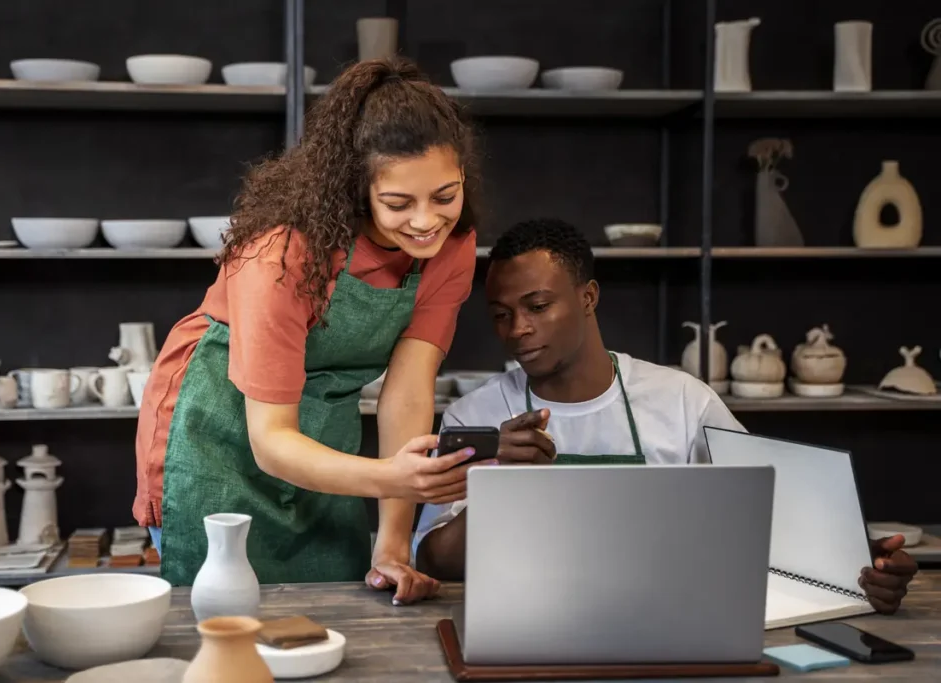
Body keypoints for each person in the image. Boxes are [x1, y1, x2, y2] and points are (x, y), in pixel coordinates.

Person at [413, 217, 918, 615]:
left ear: (588, 297)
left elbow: (767, 516)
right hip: (529, 618)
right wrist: (503, 491)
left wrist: (859, 562)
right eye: (501, 315)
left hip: (670, 614)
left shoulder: (682, 400)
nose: (517, 329)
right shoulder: (475, 413)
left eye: (538, 306)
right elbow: (432, 558)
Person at [134, 56, 493, 603]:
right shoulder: (282, 253)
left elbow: (408, 391)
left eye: (445, 195)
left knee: (334, 602)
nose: (427, 222)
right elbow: (271, 439)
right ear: (357, 189)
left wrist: (393, 543)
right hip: (222, 427)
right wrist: (390, 477)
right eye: (398, 203)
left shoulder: (451, 247)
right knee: (224, 609)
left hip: (322, 425)